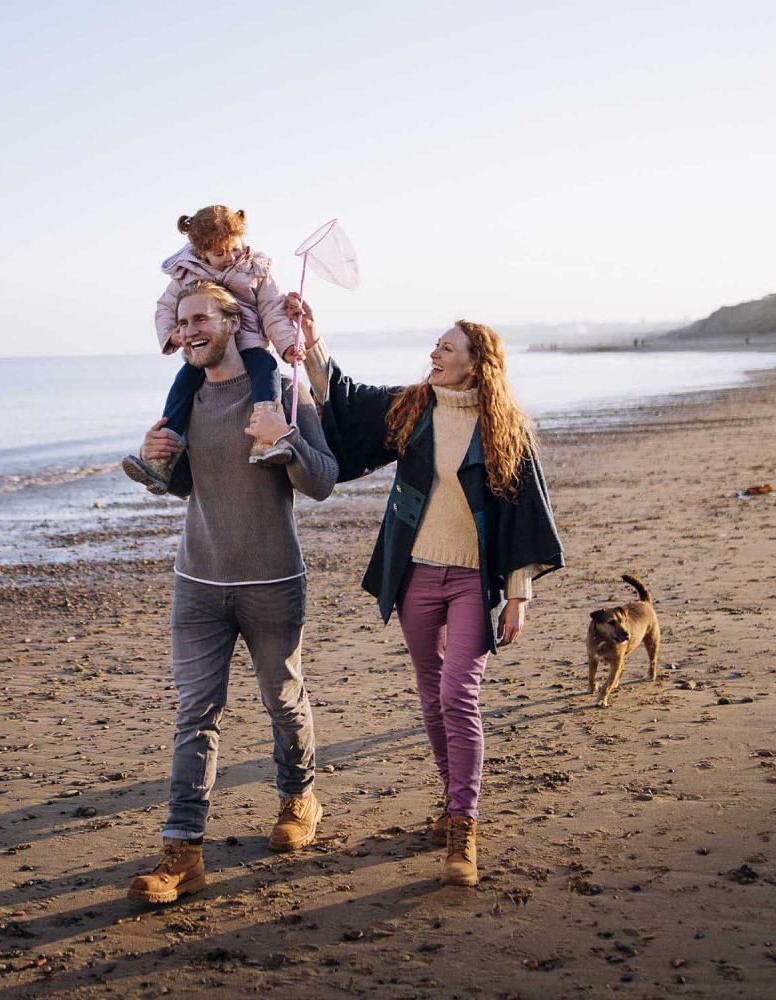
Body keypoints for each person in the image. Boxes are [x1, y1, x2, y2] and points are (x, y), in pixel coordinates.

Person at [290, 293, 563, 887]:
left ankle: (464, 825)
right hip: (415, 574)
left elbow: (521, 515)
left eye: (447, 347)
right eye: (436, 345)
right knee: (432, 690)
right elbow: (347, 396)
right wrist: (310, 338)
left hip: (470, 581)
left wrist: (518, 595)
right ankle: (450, 797)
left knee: (458, 695)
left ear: (475, 364)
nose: (434, 353)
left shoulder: (502, 428)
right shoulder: (412, 408)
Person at [126, 280, 338, 905]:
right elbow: (190, 485)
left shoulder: (280, 391)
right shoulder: (186, 397)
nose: (187, 329)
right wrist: (156, 458)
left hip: (272, 580)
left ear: (230, 320)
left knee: (282, 698)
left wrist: (287, 437)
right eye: (181, 320)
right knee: (195, 713)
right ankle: (182, 850)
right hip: (198, 581)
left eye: (199, 319)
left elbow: (321, 481)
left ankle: (299, 798)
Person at [123, 205, 302, 494]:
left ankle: (265, 439)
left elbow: (272, 308)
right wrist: (174, 334)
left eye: (233, 248)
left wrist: (289, 344)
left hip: (251, 343)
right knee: (182, 385)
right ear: (200, 252)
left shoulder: (255, 268)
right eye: (220, 254)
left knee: (266, 371)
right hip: (206, 353)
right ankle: (162, 456)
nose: (230, 257)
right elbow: (165, 308)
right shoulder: (186, 275)